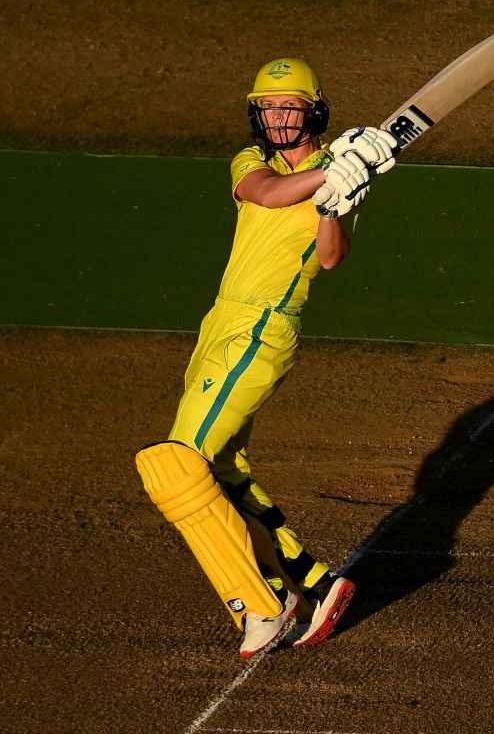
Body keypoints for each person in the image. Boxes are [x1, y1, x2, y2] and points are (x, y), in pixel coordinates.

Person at [133, 56, 397, 658]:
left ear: (313, 110)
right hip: (219, 324)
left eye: (288, 107)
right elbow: (270, 195)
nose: (277, 118)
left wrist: (336, 200)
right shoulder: (253, 163)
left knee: (175, 465)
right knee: (220, 469)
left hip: (261, 331)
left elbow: (330, 256)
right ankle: (315, 583)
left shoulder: (338, 177)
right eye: (269, 107)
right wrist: (331, 175)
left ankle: (263, 605)